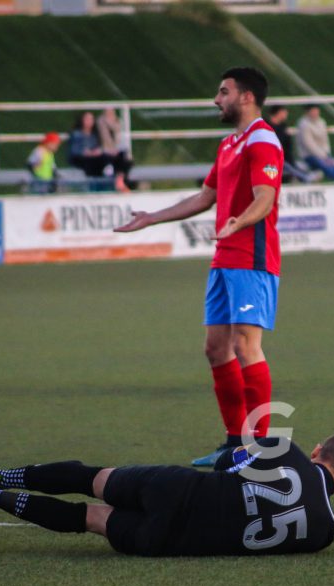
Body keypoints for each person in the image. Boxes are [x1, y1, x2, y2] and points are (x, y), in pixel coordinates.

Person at [114, 67, 284, 467]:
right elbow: (206, 196)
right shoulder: (229, 144)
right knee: (215, 349)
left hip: (252, 258)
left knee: (246, 346)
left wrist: (239, 221)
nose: (216, 99)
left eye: (223, 91)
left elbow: (266, 198)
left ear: (246, 97)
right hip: (224, 257)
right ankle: (233, 442)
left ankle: (259, 448)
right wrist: (152, 217)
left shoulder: (263, 139)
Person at [0, 435, 334, 556]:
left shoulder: (284, 450)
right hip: (170, 541)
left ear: (315, 453)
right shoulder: (323, 534)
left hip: (174, 487)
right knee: (88, 517)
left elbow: (224, 464)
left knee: (89, 477)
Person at [67, 111, 130, 192]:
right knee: (104, 160)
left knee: (122, 156)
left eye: (91, 119)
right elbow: (74, 151)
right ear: (82, 120)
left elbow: (100, 148)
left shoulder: (95, 135)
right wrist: (88, 153)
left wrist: (102, 151)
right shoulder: (77, 134)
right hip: (83, 160)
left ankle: (121, 181)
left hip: (96, 157)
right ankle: (111, 180)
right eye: (87, 119)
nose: (89, 121)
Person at [296, 104, 334, 182]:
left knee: (333, 164)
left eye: (316, 111)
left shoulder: (321, 122)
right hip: (309, 155)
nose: (315, 113)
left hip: (323, 154)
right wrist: (323, 156)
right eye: (313, 111)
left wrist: (326, 153)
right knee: (327, 167)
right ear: (308, 112)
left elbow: (325, 141)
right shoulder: (303, 124)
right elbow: (309, 144)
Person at [266, 105, 310, 183]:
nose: (286, 114)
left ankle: (305, 176)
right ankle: (305, 177)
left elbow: (287, 146)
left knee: (292, 165)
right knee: (286, 165)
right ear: (278, 113)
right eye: (284, 112)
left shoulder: (283, 127)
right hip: (271, 159)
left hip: (284, 157)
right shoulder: (266, 127)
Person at [95, 107, 134, 190]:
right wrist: (111, 149)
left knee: (125, 160)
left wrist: (116, 149)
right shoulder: (101, 123)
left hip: (116, 151)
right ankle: (116, 183)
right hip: (104, 150)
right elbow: (105, 139)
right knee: (109, 161)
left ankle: (121, 182)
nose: (110, 115)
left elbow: (119, 140)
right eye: (108, 112)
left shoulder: (117, 123)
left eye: (112, 112)